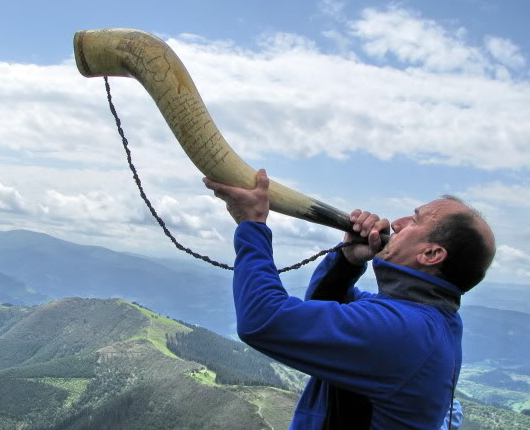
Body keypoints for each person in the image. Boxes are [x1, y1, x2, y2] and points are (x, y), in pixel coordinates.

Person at [203, 169, 495, 430]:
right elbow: (324, 306)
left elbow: (263, 319)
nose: (397, 223)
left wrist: (252, 224)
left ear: (431, 255)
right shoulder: (422, 319)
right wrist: (348, 260)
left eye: (415, 220)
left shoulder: (405, 330)